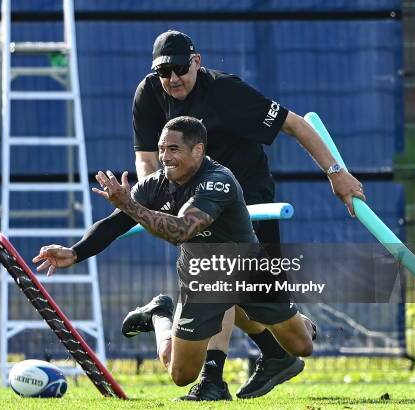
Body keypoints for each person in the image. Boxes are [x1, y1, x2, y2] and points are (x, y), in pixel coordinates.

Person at [129, 30, 365, 400]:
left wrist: (337, 174)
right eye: (164, 72)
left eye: (179, 69)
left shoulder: (226, 92)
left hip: (248, 198)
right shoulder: (149, 94)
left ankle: (218, 375)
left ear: (197, 62)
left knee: (228, 282)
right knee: (235, 289)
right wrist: (152, 199)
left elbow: (296, 124)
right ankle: (270, 353)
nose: (173, 79)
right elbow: (145, 158)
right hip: (197, 204)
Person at [32, 116, 315, 397]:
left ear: (198, 150)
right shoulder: (153, 186)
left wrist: (130, 205)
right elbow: (114, 224)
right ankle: (160, 314)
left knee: (303, 347)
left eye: (173, 149)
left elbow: (181, 230)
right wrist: (75, 252)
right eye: (161, 149)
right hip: (201, 279)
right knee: (181, 375)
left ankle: (282, 318)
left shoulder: (218, 182)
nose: (164, 157)